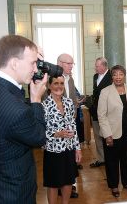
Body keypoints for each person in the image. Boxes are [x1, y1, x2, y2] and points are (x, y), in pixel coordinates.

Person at [0, 34, 48, 203]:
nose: (36, 69)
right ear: (14, 63)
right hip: (15, 193)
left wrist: (24, 49)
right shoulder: (17, 112)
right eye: (32, 63)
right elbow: (39, 137)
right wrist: (36, 100)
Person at [97, 65, 127, 197]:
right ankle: (114, 185)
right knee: (112, 160)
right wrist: (107, 134)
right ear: (112, 76)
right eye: (115, 74)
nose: (118, 77)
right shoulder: (105, 92)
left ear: (124, 75)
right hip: (112, 132)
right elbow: (101, 115)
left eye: (120, 74)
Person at [42, 76, 82, 204]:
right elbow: (39, 131)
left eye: (61, 83)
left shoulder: (69, 102)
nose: (59, 86)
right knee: (53, 183)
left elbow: (73, 126)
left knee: (69, 180)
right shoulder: (43, 105)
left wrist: (78, 148)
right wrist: (57, 134)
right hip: (52, 150)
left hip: (69, 148)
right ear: (49, 86)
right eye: (55, 83)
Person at [57, 53, 80, 198]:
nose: (71, 66)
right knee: (58, 159)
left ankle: (68, 185)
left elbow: (71, 100)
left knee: (69, 158)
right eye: (68, 63)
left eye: (72, 64)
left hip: (70, 124)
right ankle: (59, 185)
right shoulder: (51, 80)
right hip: (57, 126)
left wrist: (76, 107)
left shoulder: (70, 79)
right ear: (59, 63)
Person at [89, 57, 112, 168]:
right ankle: (101, 158)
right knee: (98, 136)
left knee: (108, 135)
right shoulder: (95, 76)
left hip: (107, 113)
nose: (95, 68)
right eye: (96, 66)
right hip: (95, 111)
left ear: (104, 66)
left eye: (97, 66)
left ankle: (110, 159)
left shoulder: (111, 77)